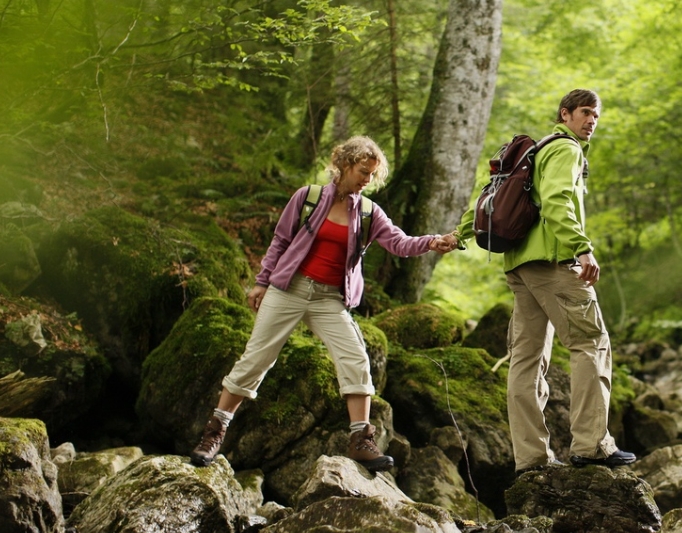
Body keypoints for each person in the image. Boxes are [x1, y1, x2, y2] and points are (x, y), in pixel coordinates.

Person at [190, 135, 458, 471]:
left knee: (356, 359)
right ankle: (214, 432)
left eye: (373, 175)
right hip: (289, 289)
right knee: (256, 359)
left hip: (330, 299)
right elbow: (280, 241)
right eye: (363, 171)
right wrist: (261, 282)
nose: (367, 179)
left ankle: (361, 440)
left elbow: (399, 243)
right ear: (344, 164)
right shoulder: (308, 198)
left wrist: (433, 242)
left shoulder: (368, 212)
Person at [454, 89, 636, 473]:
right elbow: (556, 201)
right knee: (590, 344)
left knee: (526, 359)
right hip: (554, 264)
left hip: (519, 265)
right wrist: (582, 248)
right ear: (565, 114)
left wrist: (459, 235)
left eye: (596, 116)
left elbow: (490, 198)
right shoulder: (566, 149)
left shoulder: (534, 152)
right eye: (585, 113)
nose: (591, 121)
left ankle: (531, 458)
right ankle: (592, 445)